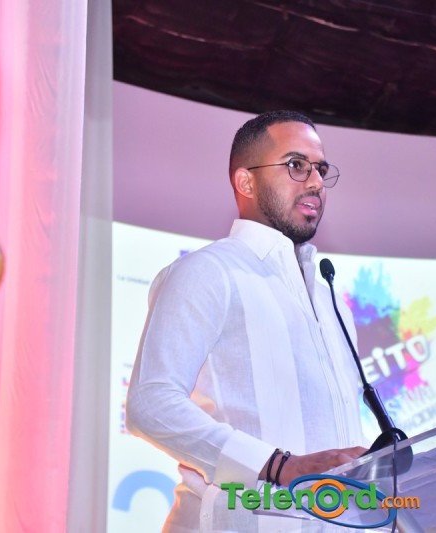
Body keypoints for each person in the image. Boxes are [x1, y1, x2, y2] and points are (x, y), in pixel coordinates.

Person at [125, 110, 368, 532]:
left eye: (320, 168)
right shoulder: (208, 272)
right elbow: (151, 404)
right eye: (296, 165)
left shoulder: (331, 299)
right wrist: (277, 466)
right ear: (246, 182)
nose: (315, 181)